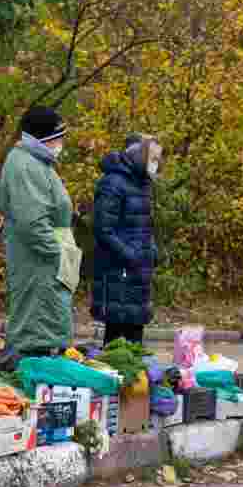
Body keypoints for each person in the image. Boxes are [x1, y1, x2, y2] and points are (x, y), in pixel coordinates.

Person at [0, 106, 81, 357]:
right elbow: (32, 224)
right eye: (58, 138)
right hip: (40, 265)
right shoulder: (25, 166)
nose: (61, 143)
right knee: (36, 335)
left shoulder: (37, 163)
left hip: (45, 264)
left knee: (45, 331)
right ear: (43, 139)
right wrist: (59, 256)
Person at [91, 133, 162, 346]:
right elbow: (103, 229)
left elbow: (144, 226)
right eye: (153, 159)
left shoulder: (143, 184)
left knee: (134, 335)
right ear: (139, 156)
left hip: (139, 271)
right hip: (119, 271)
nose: (156, 164)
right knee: (117, 336)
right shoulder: (113, 183)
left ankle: (135, 378)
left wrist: (151, 252)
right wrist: (130, 256)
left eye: (158, 160)